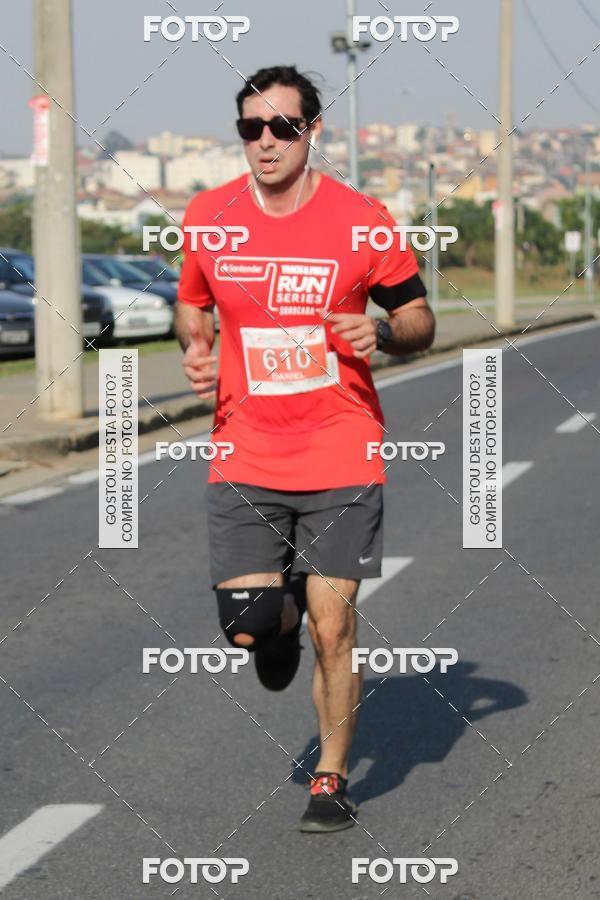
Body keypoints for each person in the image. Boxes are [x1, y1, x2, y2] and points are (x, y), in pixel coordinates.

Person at [174, 65, 435, 832]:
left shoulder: (362, 220)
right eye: (251, 128)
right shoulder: (209, 216)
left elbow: (421, 317)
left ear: (312, 131)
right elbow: (192, 302)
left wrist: (382, 332)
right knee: (252, 623)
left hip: (339, 446)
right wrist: (196, 345)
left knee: (336, 625)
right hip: (246, 448)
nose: (265, 142)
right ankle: (274, 612)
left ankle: (330, 780)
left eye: (282, 126)